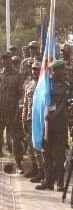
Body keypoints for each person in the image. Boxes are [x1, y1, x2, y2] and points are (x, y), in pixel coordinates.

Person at [0, 53, 24, 173]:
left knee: (16, 139)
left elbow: (21, 94)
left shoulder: (18, 76)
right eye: (3, 60)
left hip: (12, 113)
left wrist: (19, 110)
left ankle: (18, 163)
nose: (5, 62)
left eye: (7, 60)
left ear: (10, 61)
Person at [36, 60, 71, 191]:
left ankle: (60, 183)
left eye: (56, 70)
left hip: (59, 124)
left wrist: (52, 116)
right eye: (52, 70)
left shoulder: (66, 86)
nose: (53, 72)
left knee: (59, 154)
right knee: (46, 153)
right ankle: (48, 181)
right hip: (47, 123)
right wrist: (45, 117)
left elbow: (63, 105)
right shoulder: (46, 84)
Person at [21, 60, 42, 181]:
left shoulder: (44, 84)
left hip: (39, 120)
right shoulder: (29, 84)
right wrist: (23, 118)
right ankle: (34, 168)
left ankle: (41, 171)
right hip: (29, 118)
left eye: (37, 69)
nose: (34, 71)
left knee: (38, 147)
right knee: (30, 145)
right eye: (33, 69)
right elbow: (25, 103)